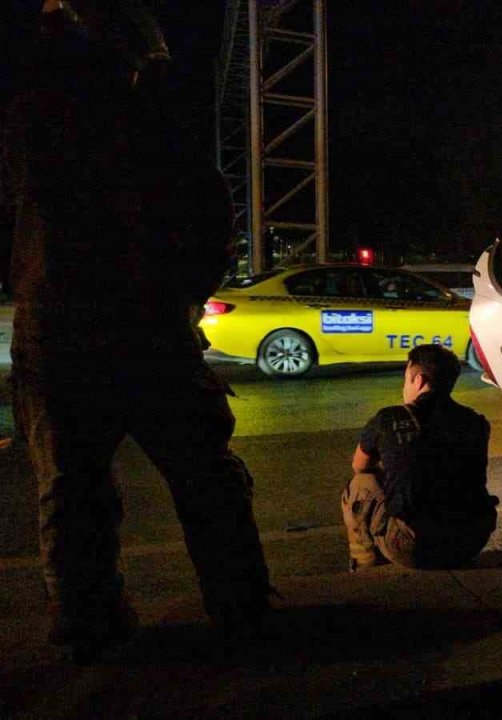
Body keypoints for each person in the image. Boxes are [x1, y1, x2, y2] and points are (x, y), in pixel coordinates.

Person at [1, 1, 272, 662]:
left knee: (71, 486)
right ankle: (239, 603)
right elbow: (209, 212)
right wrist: (184, 298)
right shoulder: (149, 111)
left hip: (57, 325)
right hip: (145, 321)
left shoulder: (29, 115)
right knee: (205, 475)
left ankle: (85, 616)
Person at [342, 344, 499, 570]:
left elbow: (360, 466)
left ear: (420, 381)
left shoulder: (389, 418)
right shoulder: (476, 422)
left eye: (406, 379)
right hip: (470, 542)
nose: (404, 386)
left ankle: (365, 563)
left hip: (413, 548)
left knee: (358, 485)